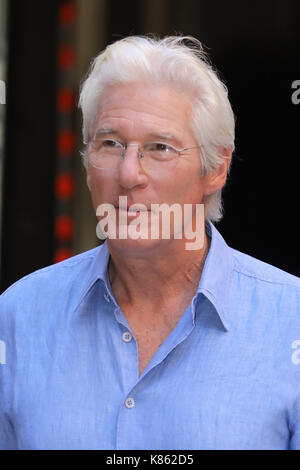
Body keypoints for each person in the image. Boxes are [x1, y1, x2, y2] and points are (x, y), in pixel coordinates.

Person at [0, 35, 299, 450]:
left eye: (159, 148)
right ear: (86, 164)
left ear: (215, 169)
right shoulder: (18, 317)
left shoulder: (290, 322)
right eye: (110, 143)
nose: (128, 174)